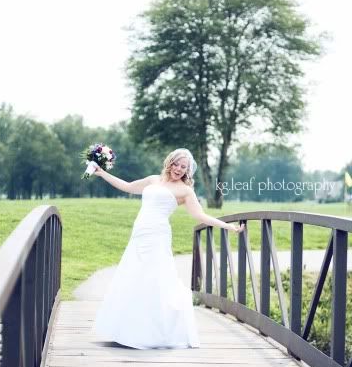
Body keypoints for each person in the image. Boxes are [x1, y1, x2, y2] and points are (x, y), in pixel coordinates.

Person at [91, 148, 245, 349]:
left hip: (158, 236)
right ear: (169, 162)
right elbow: (128, 187)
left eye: (184, 167)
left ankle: (154, 333)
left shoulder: (185, 190)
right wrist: (101, 173)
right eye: (177, 164)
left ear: (187, 171)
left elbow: (200, 216)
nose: (179, 169)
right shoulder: (154, 179)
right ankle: (127, 329)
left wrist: (228, 227)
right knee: (133, 275)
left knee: (155, 278)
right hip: (140, 234)